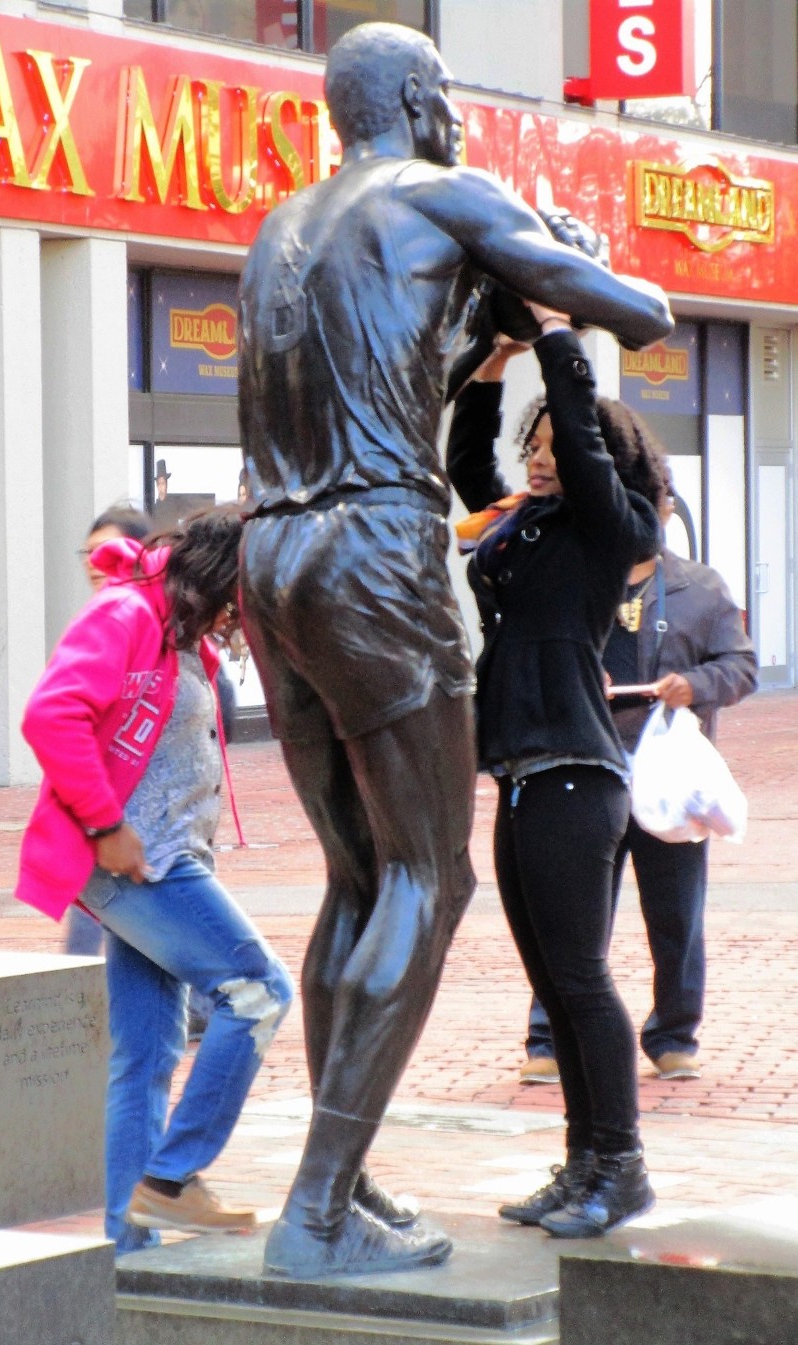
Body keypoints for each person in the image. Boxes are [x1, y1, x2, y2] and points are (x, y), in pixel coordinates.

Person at [236, 19, 673, 1278]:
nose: (461, 123)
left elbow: (399, 381)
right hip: (371, 548)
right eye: (453, 102)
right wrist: (564, 263)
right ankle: (319, 1211)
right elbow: (642, 316)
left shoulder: (281, 231)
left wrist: (486, 321)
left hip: (273, 547)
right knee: (428, 878)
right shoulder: (443, 191)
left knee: (357, 879)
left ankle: (343, 1178)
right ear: (423, 101)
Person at [15, 506, 293, 1255]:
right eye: (244, 595)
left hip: (160, 858)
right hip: (139, 862)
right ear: (220, 575)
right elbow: (51, 714)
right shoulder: (126, 613)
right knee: (259, 990)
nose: (244, 613)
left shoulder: (177, 631)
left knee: (145, 1056)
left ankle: (127, 1250)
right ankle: (171, 1181)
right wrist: (105, 823)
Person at [447, 312, 668, 1239]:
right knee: (549, 975)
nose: (539, 460)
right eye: (531, 447)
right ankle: (583, 1162)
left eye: (552, 448)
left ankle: (622, 1166)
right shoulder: (523, 526)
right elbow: (467, 463)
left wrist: (554, 337)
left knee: (579, 977)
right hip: (519, 772)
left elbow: (582, 441)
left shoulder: (611, 528)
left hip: (576, 770)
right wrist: (491, 365)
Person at [521, 492, 758, 1084]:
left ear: (666, 511)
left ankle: (674, 1036)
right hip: (584, 767)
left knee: (677, 915)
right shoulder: (572, 581)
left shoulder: (701, 588)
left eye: (650, 506)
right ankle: (548, 1039)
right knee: (570, 916)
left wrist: (694, 684)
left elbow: (741, 667)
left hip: (667, 778)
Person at [66, 505, 155, 956]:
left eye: (107, 550)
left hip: (156, 817)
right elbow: (56, 717)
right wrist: (102, 819)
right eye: (88, 552)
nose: (93, 562)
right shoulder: (107, 620)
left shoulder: (142, 617)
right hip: (110, 812)